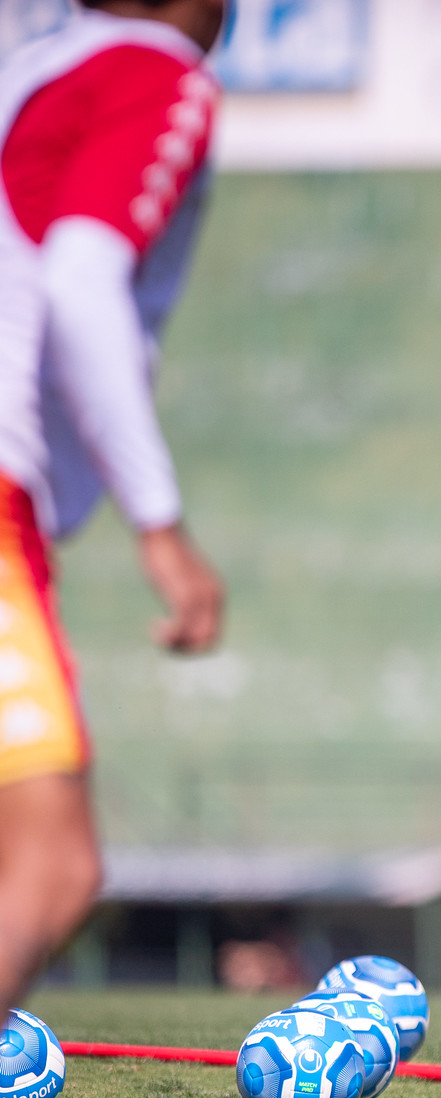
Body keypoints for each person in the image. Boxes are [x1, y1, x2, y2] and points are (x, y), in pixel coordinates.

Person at [0, 0, 227, 1024]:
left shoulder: (33, 67)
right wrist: (160, 524)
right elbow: (84, 280)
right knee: (51, 866)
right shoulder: (155, 71)